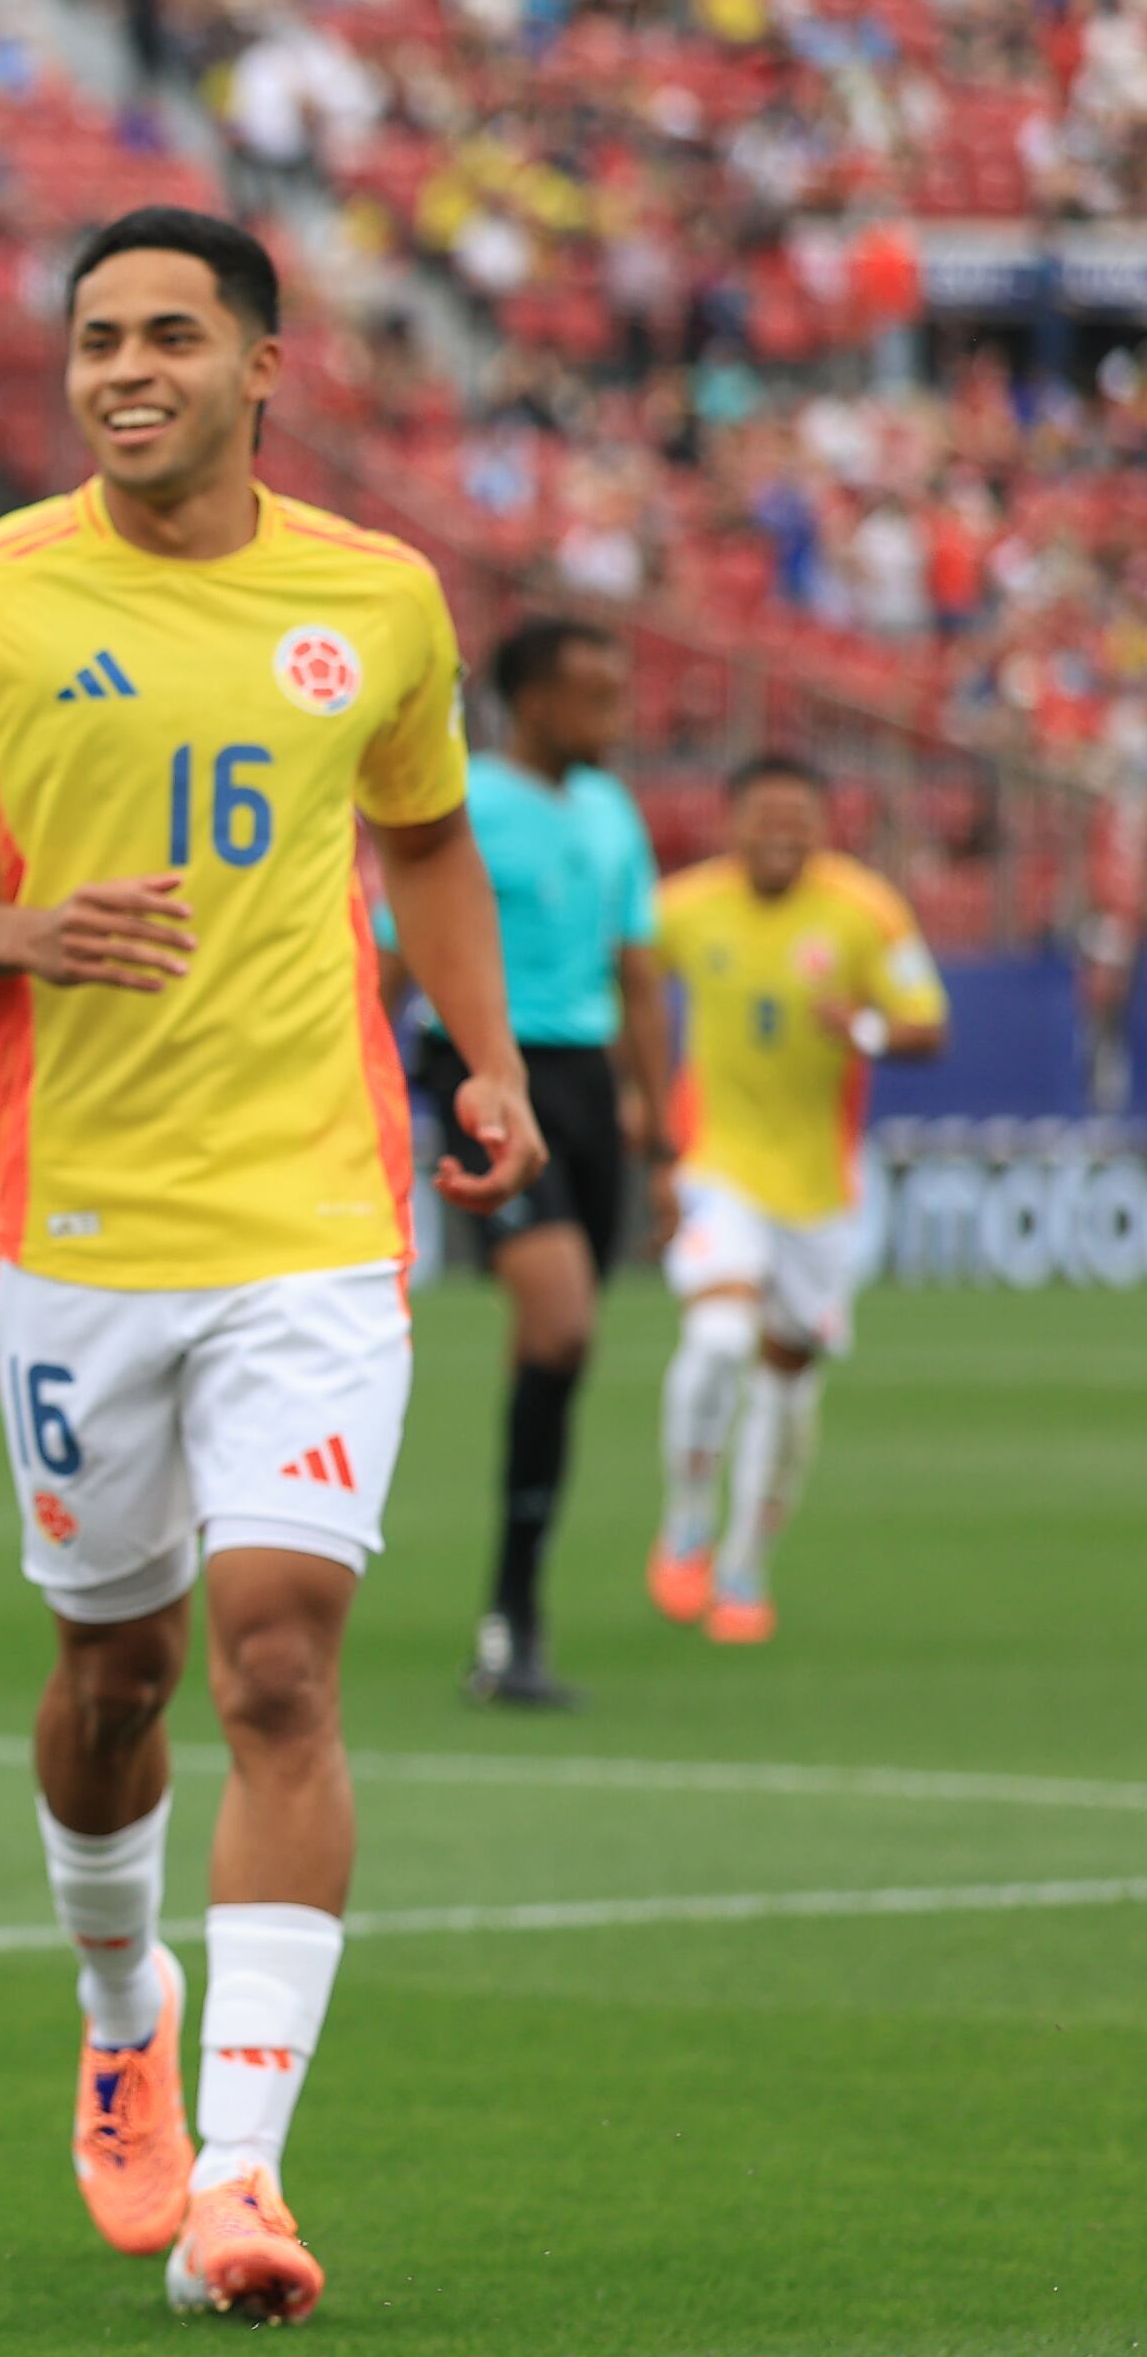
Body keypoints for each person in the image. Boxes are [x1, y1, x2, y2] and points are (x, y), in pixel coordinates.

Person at [0, 205, 542, 2329]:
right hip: (80, 1243)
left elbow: (419, 834)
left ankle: (239, 2167)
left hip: (315, 1222)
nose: (124, 367)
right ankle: (115, 1988)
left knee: (276, 1664)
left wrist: (485, 1057)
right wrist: (25, 928)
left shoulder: (374, 597)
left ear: (261, 364)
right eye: (93, 340)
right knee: (112, 1678)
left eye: (167, 334)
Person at [385, 617, 666, 1707]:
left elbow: (636, 973)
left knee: (558, 1352)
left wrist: (664, 1134)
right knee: (559, 1323)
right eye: (594, 695)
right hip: (480, 1073)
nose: (616, 715)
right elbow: (393, 953)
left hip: (586, 1085)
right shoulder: (464, 802)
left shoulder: (607, 810)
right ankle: (508, 1619)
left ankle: (515, 1609)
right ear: (533, 702)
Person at [648, 754, 947, 1645]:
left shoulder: (866, 911)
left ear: (822, 826)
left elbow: (927, 1026)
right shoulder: (686, 906)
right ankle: (689, 1512)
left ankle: (744, 1565)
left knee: (787, 1384)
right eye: (765, 814)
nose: (782, 830)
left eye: (799, 815)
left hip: (819, 1193)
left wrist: (856, 1026)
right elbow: (621, 971)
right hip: (718, 1164)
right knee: (716, 1339)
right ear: (731, 823)